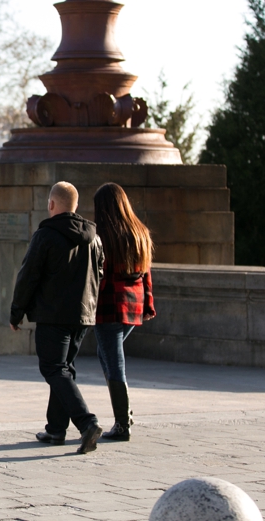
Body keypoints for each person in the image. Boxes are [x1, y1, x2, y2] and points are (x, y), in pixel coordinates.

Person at [10, 181, 104, 454]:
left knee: (53, 368)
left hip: (53, 316)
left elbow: (28, 276)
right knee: (64, 369)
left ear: (52, 204)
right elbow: (99, 275)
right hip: (82, 316)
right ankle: (55, 430)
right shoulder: (94, 238)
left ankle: (87, 423)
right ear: (75, 206)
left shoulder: (46, 235)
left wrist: (17, 313)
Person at [92, 182, 156, 441]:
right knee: (107, 354)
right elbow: (147, 272)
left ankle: (122, 423)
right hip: (134, 305)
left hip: (109, 307)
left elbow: (101, 276)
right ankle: (123, 417)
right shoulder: (140, 232)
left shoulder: (103, 236)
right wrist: (149, 305)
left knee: (114, 362)